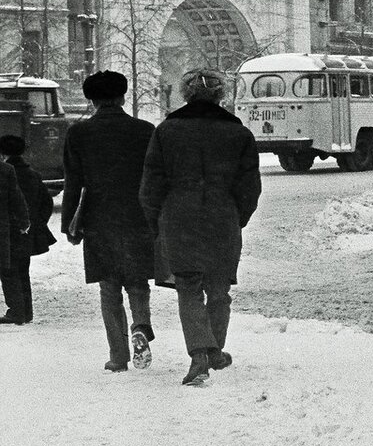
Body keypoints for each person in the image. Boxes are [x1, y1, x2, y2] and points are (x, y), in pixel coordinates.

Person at [140, 68, 262, 386]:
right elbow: (250, 187)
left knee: (189, 288)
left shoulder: (166, 131)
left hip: (178, 217)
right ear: (220, 95)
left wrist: (157, 221)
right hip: (223, 218)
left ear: (187, 94)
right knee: (219, 290)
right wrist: (239, 217)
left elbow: (151, 185)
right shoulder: (239, 133)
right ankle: (215, 350)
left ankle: (199, 355)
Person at [62, 70, 156, 372]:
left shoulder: (78, 133)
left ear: (92, 100)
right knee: (138, 282)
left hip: (99, 217)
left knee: (109, 287)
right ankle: (141, 325)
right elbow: (155, 178)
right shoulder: (145, 130)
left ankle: (118, 356)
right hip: (138, 215)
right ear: (123, 96)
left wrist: (69, 225)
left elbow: (72, 182)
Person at [0, 136, 52, 325]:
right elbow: (46, 203)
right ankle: (26, 311)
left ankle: (16, 311)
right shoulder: (33, 174)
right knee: (23, 271)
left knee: (8, 271)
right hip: (27, 231)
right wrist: (35, 224)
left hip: (7, 231)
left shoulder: (5, 172)